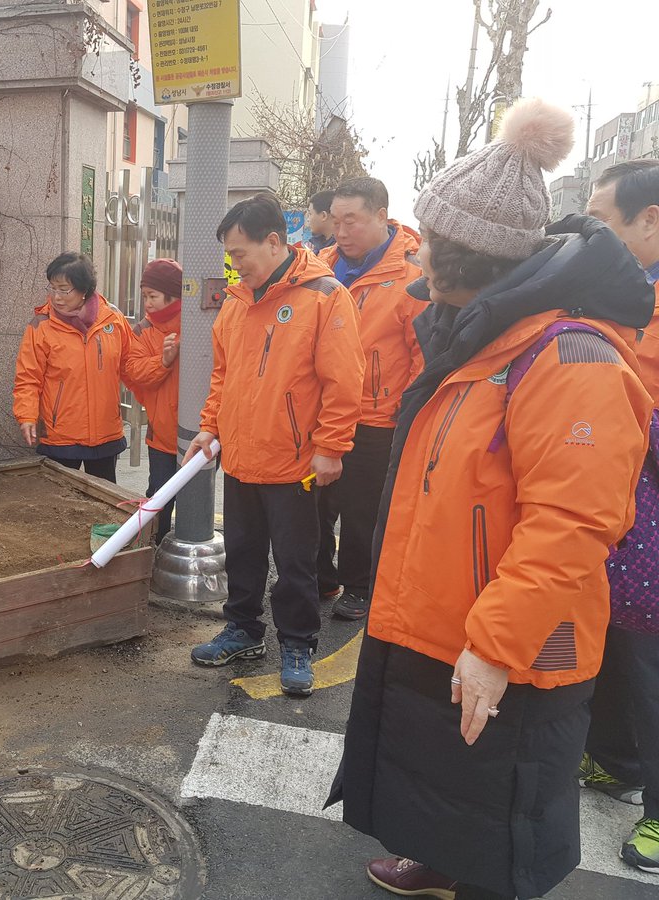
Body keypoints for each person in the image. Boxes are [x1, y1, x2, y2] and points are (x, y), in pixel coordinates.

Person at [330, 98, 654, 900]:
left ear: (472, 255)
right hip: (441, 613)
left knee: (505, 800)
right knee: (442, 767)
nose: (420, 256)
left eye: (433, 240)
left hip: (511, 636)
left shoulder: (569, 358)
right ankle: (437, 858)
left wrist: (497, 643)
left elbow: (574, 526)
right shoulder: (472, 336)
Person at [184, 191, 364, 696]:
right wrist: (210, 427)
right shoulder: (237, 304)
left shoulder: (325, 297)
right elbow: (223, 377)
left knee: (295, 560)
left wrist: (331, 446)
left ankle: (298, 641)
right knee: (241, 553)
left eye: (240, 254)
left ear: (274, 242)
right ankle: (243, 629)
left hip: (296, 463)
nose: (234, 265)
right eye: (230, 256)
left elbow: (344, 382)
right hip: (241, 457)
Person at [582, 158, 659, 873]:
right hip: (620, 507)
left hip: (650, 509)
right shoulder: (619, 295)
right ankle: (616, 760)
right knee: (619, 647)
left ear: (650, 219)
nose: (590, 235)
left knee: (648, 663)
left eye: (603, 222)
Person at [315, 178, 426, 620]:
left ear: (381, 216)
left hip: (377, 417)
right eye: (336, 221)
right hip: (320, 412)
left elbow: (423, 353)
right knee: (315, 503)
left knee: (363, 509)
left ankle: (359, 585)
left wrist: (405, 410)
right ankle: (321, 578)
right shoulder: (320, 270)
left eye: (352, 221)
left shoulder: (412, 277)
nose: (341, 232)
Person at [14, 252, 133, 483]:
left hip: (105, 432)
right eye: (52, 288)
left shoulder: (113, 320)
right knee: (60, 503)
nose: (56, 297)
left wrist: (162, 365)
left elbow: (132, 367)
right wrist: (26, 416)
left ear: (84, 290)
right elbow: (28, 378)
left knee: (104, 502)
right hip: (61, 435)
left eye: (64, 289)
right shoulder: (41, 326)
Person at [125, 259, 182, 543]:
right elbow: (134, 372)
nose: (147, 303)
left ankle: (188, 553)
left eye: (153, 296)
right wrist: (163, 361)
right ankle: (154, 550)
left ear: (173, 295)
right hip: (161, 436)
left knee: (195, 503)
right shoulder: (142, 331)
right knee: (159, 496)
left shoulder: (199, 324)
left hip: (201, 436)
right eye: (144, 295)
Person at [302, 190, 336, 254]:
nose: (308, 219)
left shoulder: (339, 252)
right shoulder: (316, 247)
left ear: (323, 216)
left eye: (310, 214)